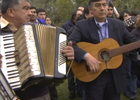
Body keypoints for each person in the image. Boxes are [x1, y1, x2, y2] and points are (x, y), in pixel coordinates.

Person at [0, 0, 74, 100]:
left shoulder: (36, 30)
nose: (30, 13)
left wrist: (65, 56)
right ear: (11, 12)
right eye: (25, 8)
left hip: (40, 94)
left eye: (30, 9)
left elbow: (52, 63)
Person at [68, 0, 140, 100]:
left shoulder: (118, 25)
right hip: (92, 75)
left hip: (115, 76)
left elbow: (133, 41)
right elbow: (70, 43)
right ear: (91, 10)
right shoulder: (82, 25)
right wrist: (87, 56)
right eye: (98, 5)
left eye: (104, 5)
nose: (102, 8)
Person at [62, 9, 83, 99]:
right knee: (70, 75)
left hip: (79, 52)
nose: (80, 15)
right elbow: (64, 37)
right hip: (70, 52)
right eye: (78, 14)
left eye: (81, 14)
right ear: (74, 16)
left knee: (79, 73)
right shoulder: (66, 25)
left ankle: (80, 90)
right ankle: (72, 92)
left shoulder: (84, 25)